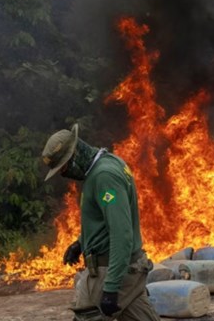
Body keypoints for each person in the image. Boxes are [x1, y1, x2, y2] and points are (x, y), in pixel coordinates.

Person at [42, 124, 161, 321]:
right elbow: (105, 219)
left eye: (64, 168)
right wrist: (81, 243)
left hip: (110, 270)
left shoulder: (104, 177)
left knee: (87, 316)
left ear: (75, 155)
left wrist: (111, 286)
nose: (64, 175)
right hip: (129, 268)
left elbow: (121, 233)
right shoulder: (107, 163)